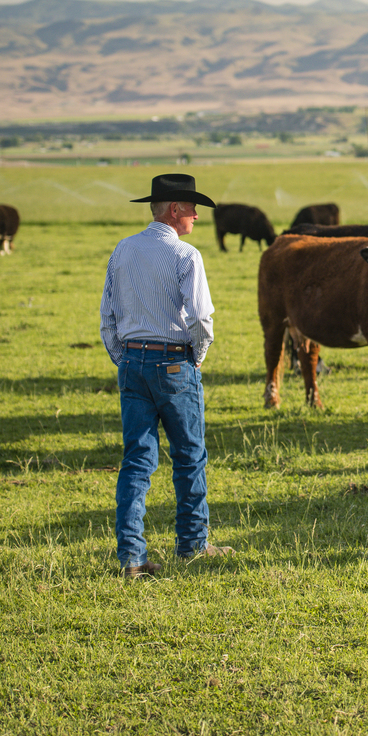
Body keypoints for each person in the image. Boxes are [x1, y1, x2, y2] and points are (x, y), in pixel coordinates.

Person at [100, 173, 233, 578]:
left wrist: (123, 358)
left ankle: (131, 558)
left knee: (137, 461)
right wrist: (195, 358)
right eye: (191, 208)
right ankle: (192, 543)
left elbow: (108, 318)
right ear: (174, 210)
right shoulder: (186, 256)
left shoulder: (122, 250)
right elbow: (201, 320)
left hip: (132, 363)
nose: (195, 215)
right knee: (189, 457)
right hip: (175, 363)